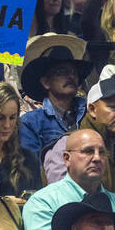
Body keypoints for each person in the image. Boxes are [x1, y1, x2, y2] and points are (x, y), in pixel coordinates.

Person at [19, 35, 92, 165]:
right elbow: (32, 169)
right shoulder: (31, 122)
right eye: (62, 72)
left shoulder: (91, 114)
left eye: (74, 72)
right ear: (46, 82)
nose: (70, 76)